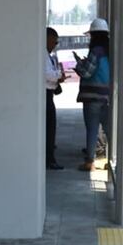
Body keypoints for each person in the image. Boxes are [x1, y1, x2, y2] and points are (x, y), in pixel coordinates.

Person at [76, 17, 112, 172]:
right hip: (107, 97)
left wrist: (79, 64)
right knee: (109, 130)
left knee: (92, 129)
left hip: (92, 98)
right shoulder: (112, 51)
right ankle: (112, 159)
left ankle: (90, 161)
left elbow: (87, 72)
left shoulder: (95, 51)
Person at [45, 27, 66, 170]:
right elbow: (47, 74)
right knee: (49, 128)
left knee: (50, 127)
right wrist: (59, 75)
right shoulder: (42, 55)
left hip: (49, 93)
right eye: (54, 42)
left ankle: (49, 156)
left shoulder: (47, 55)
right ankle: (49, 159)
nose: (55, 45)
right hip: (45, 94)